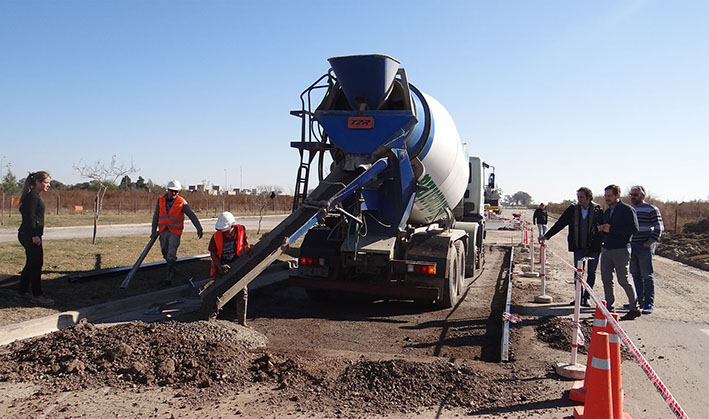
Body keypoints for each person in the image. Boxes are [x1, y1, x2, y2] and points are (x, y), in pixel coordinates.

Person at [539, 187, 603, 307]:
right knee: (578, 273)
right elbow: (560, 223)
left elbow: (603, 228)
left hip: (594, 247)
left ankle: (587, 297)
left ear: (589, 198)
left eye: (582, 197)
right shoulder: (573, 209)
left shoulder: (597, 210)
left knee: (592, 273)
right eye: (578, 197)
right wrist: (547, 236)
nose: (579, 199)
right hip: (578, 246)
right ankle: (578, 297)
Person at [599, 184, 640, 320]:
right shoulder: (607, 211)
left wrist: (612, 229)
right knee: (606, 280)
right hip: (607, 249)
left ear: (618, 195)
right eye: (606, 196)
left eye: (610, 196)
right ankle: (609, 308)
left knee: (623, 280)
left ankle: (634, 308)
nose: (607, 198)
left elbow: (633, 229)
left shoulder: (627, 210)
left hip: (621, 249)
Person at [151, 180, 203, 286]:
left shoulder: (182, 202)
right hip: (163, 230)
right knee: (164, 251)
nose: (174, 194)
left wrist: (199, 228)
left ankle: (168, 277)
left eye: (176, 192)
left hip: (175, 231)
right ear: (168, 190)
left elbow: (191, 215)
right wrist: (153, 231)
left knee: (171, 253)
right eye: (172, 191)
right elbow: (156, 216)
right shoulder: (160, 200)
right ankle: (171, 266)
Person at [17, 171, 54, 306]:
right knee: (36, 264)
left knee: (31, 262)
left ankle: (22, 291)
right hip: (30, 235)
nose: (48, 185)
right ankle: (37, 295)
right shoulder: (32, 197)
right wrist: (34, 235)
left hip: (30, 234)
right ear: (37, 182)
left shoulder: (34, 196)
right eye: (45, 182)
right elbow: (30, 218)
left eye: (49, 182)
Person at [209, 211, 250, 326]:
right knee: (217, 293)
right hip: (222, 267)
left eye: (227, 231)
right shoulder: (216, 236)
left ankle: (242, 322)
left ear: (232, 226)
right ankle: (211, 319)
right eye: (223, 231)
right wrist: (220, 267)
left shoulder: (241, 230)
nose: (225, 234)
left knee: (242, 293)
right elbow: (213, 253)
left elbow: (245, 244)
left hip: (238, 266)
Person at [629, 185, 664, 315]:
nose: (633, 197)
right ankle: (641, 301)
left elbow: (658, 227)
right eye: (631, 195)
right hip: (632, 246)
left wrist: (650, 242)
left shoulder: (651, 209)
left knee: (646, 275)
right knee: (635, 274)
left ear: (643, 196)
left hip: (645, 246)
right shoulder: (630, 209)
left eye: (636, 195)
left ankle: (649, 303)